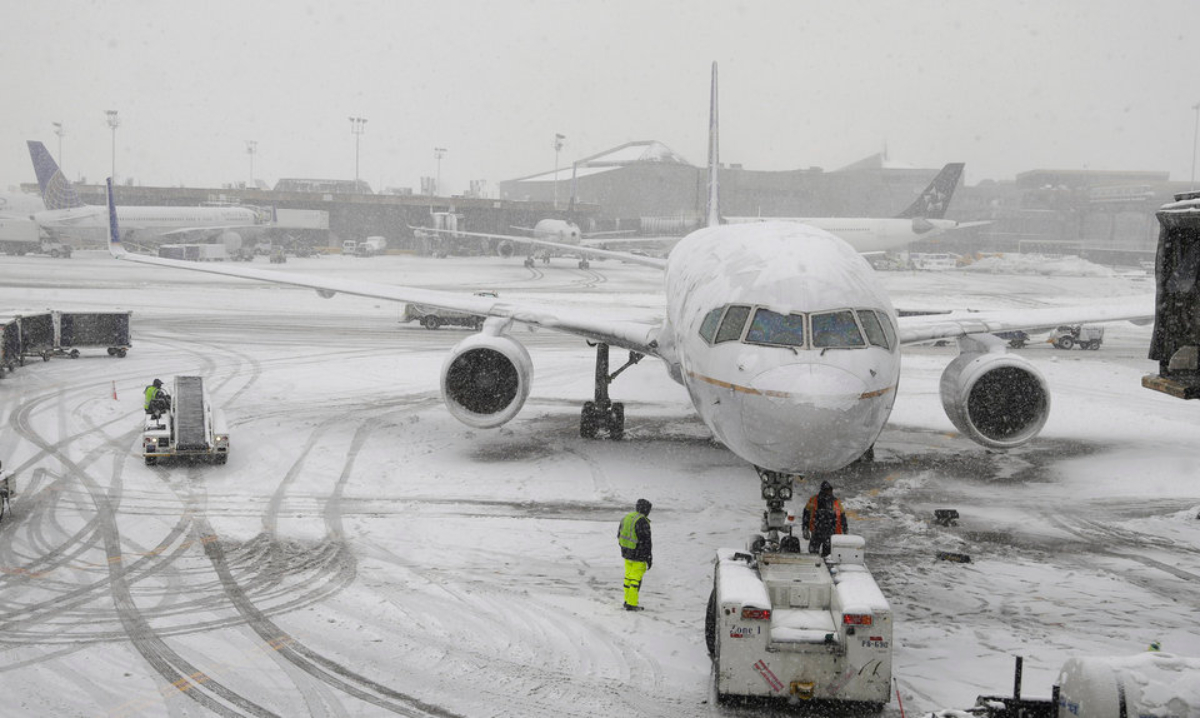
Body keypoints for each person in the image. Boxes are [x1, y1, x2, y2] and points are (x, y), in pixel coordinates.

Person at [617, 498, 653, 611]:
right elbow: (646, 542)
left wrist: (625, 548)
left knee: (628, 578)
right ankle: (632, 604)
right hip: (638, 555)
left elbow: (619, 534)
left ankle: (627, 600)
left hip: (627, 553)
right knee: (635, 580)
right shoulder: (642, 521)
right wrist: (648, 557)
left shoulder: (627, 518)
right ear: (646, 510)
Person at [801, 481, 848, 557]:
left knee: (828, 555)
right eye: (827, 490)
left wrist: (845, 529)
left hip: (830, 532)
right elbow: (806, 515)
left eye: (829, 490)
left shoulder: (836, 502)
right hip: (817, 531)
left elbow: (842, 516)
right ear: (822, 490)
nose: (828, 492)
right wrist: (805, 528)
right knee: (813, 553)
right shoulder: (813, 500)